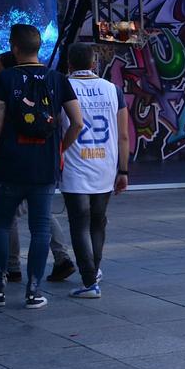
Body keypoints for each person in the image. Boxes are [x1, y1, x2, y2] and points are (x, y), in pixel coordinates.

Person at [0, 25, 83, 308]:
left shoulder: (4, 78)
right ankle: (34, 291)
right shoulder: (58, 79)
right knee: (40, 229)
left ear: (14, 48)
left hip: (9, 165)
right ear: (39, 47)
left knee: (0, 226)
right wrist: (60, 150)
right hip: (44, 166)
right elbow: (78, 123)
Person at [60, 43, 127, 296]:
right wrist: (124, 171)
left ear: (69, 64)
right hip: (105, 165)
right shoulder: (113, 89)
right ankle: (93, 272)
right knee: (98, 223)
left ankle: (89, 281)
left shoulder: (64, 86)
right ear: (93, 64)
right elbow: (123, 136)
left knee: (79, 223)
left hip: (75, 165)